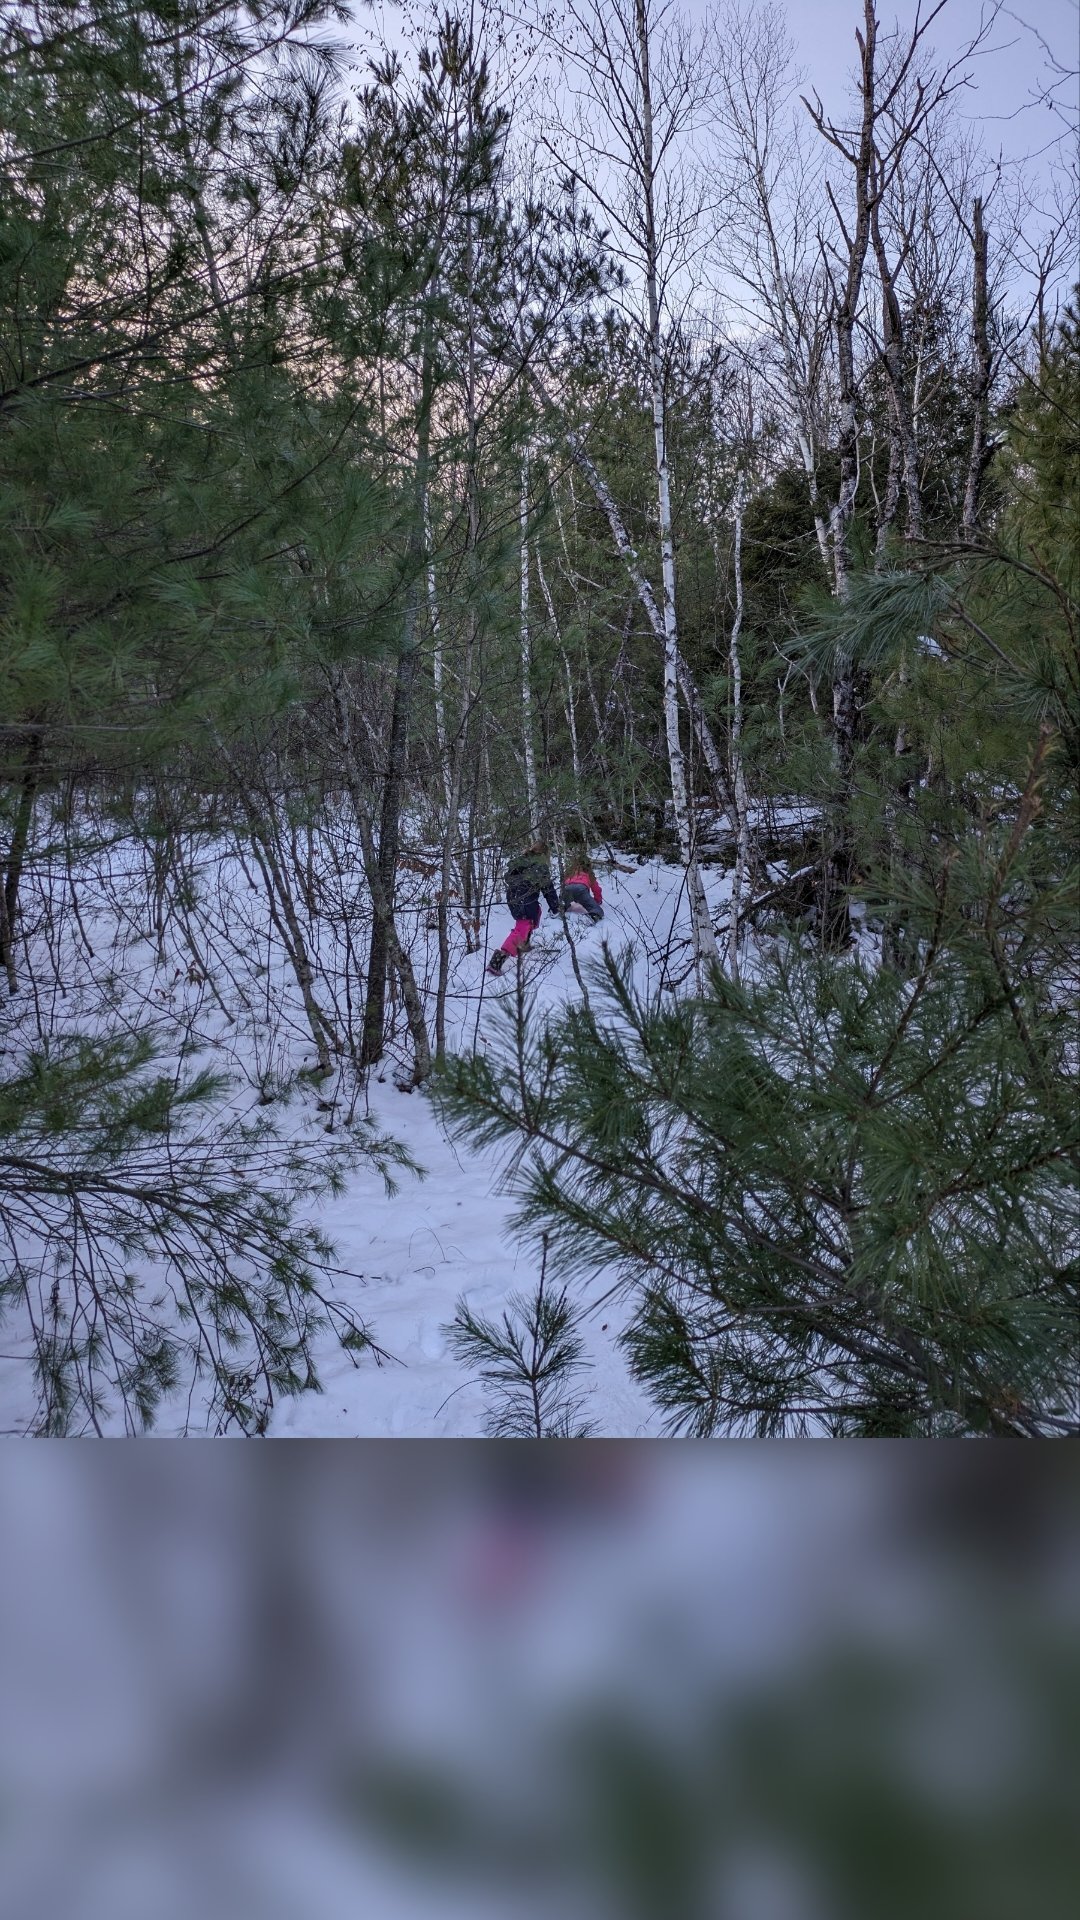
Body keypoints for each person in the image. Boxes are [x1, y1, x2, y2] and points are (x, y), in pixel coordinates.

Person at [487, 842, 559, 975]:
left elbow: (508, 877)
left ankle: (524, 945)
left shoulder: (521, 860)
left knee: (531, 917)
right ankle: (496, 962)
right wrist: (556, 907)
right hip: (526, 897)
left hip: (513, 897)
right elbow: (548, 889)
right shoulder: (540, 865)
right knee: (523, 927)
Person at [560, 851, 604, 923]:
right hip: (581, 890)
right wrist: (597, 900)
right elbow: (596, 889)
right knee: (596, 909)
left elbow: (563, 883)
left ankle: (559, 909)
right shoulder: (589, 874)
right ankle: (593, 915)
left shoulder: (570, 872)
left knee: (562, 903)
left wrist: (562, 896)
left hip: (567, 889)